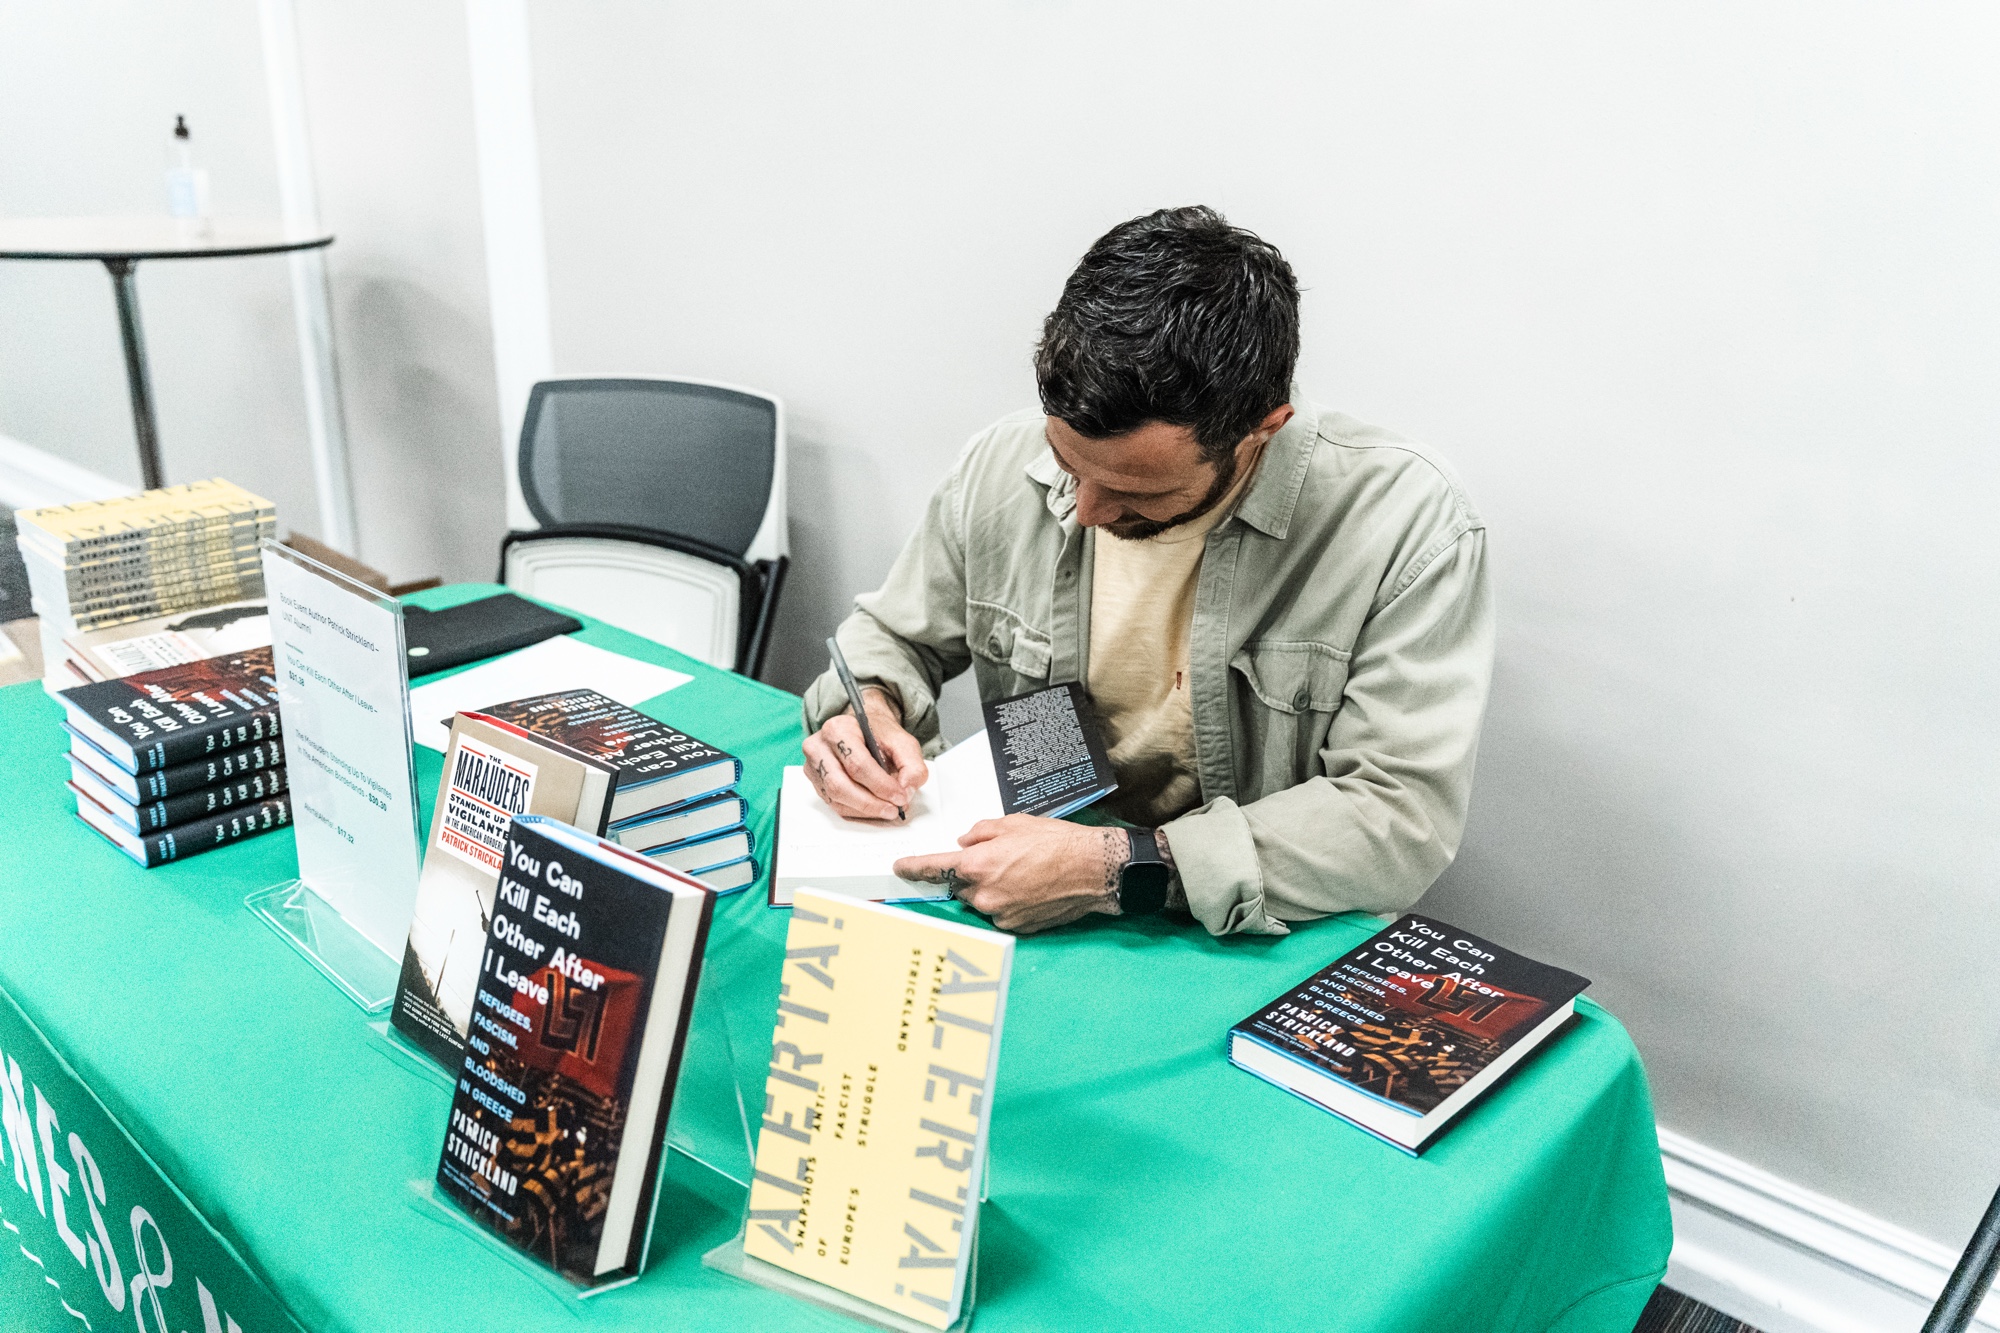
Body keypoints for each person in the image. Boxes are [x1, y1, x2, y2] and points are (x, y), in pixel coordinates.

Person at [801, 205, 1493, 937]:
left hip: (1253, 934)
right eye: (1068, 464)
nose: (1087, 510)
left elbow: (1397, 820)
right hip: (1028, 896)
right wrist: (866, 710)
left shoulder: (1406, 523)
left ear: (1261, 430)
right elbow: (891, 638)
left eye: (1138, 492)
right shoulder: (1000, 465)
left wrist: (1115, 867)